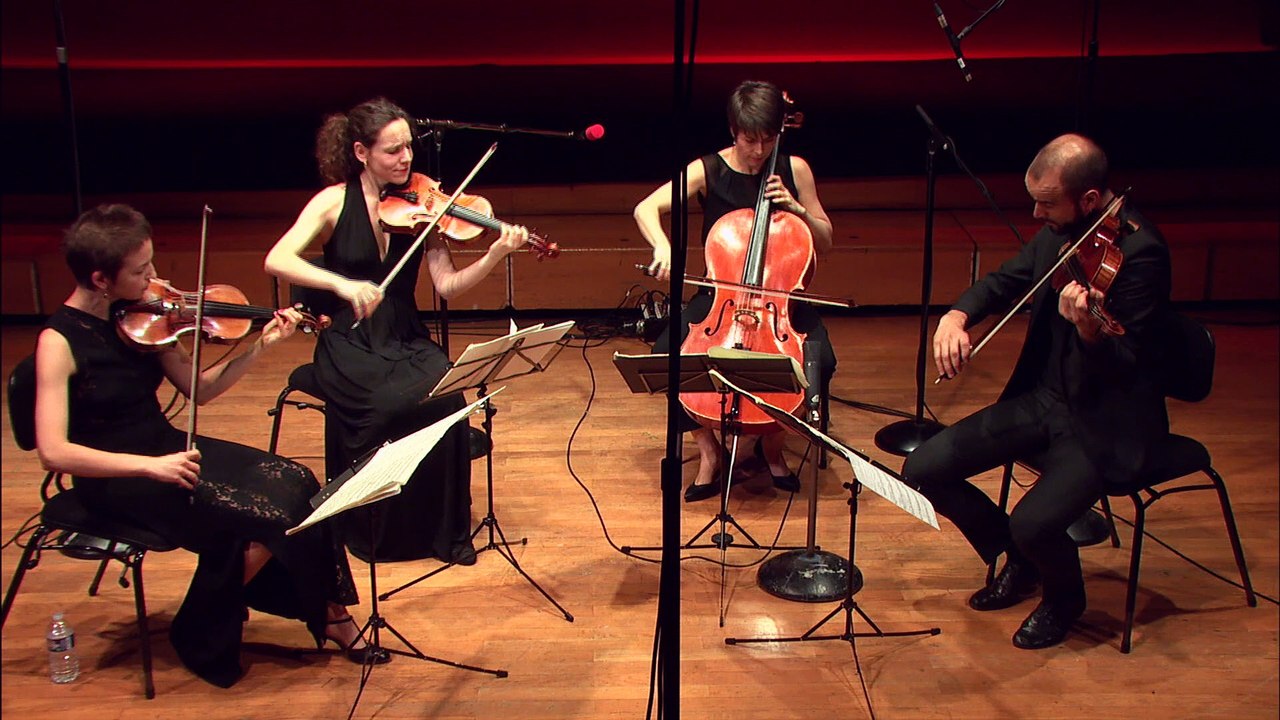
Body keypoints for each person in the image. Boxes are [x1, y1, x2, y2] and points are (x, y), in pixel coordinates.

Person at [33, 204, 381, 688]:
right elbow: (54, 452)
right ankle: (293, 619)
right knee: (267, 521)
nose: (155, 278)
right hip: (118, 479)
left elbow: (200, 388)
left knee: (299, 482)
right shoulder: (58, 341)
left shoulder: (140, 320)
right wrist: (150, 469)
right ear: (100, 279)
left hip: (170, 450)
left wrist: (260, 344)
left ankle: (302, 612)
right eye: (140, 271)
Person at [902, 133, 1172, 649]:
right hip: (1044, 400)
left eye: (1046, 202)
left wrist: (1090, 330)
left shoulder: (1142, 255)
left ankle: (1065, 600)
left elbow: (1128, 361)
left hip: (1103, 420)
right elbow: (1004, 281)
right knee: (924, 469)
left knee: (1035, 522)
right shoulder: (1064, 232)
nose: (1034, 213)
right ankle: (1018, 557)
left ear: (1089, 200)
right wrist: (956, 317)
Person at [264, 97, 529, 563]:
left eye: (408, 147)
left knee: (448, 395)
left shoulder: (423, 208)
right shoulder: (332, 202)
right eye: (393, 151)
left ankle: (442, 532)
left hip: (403, 334)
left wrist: (493, 255)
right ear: (362, 153)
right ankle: (376, 531)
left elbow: (447, 287)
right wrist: (343, 284)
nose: (406, 159)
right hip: (350, 338)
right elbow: (277, 260)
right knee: (390, 405)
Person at [633, 79, 837, 502]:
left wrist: (799, 211)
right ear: (733, 131)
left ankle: (771, 445)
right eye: (750, 140)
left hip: (780, 300)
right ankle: (708, 452)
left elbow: (826, 239)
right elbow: (645, 207)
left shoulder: (795, 169)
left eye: (768, 139)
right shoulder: (708, 169)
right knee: (667, 358)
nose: (759, 151)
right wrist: (662, 243)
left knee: (821, 361)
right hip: (721, 297)